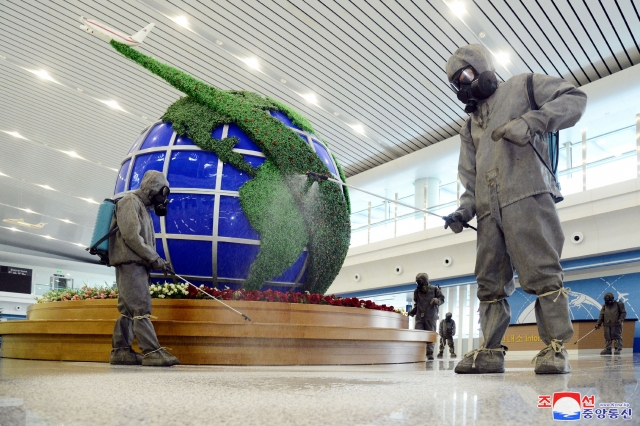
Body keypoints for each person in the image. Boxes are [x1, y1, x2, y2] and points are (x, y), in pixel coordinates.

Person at [443, 44, 587, 374]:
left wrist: (533, 121)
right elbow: (470, 174)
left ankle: (555, 349)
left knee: (542, 271)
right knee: (489, 282)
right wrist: (464, 211)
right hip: (488, 210)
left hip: (527, 193)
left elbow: (574, 99)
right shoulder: (468, 127)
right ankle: (491, 351)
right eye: (457, 82)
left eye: (466, 74)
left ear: (482, 66)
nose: (464, 85)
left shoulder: (523, 86)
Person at [108, 170, 180, 367]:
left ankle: (121, 351)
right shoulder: (129, 202)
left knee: (128, 309)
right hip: (130, 262)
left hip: (136, 263)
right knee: (140, 307)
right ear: (154, 189)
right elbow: (132, 237)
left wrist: (154, 260)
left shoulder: (141, 207)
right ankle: (151, 351)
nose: (163, 199)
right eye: (162, 193)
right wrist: (154, 258)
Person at [408, 273, 444, 360]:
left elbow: (442, 299)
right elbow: (417, 304)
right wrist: (412, 312)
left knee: (430, 335)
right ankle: (418, 352)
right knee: (418, 334)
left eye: (420, 281)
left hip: (431, 316)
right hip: (420, 317)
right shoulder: (417, 292)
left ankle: (429, 353)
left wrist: (436, 300)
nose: (419, 284)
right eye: (417, 282)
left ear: (425, 281)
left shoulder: (434, 289)